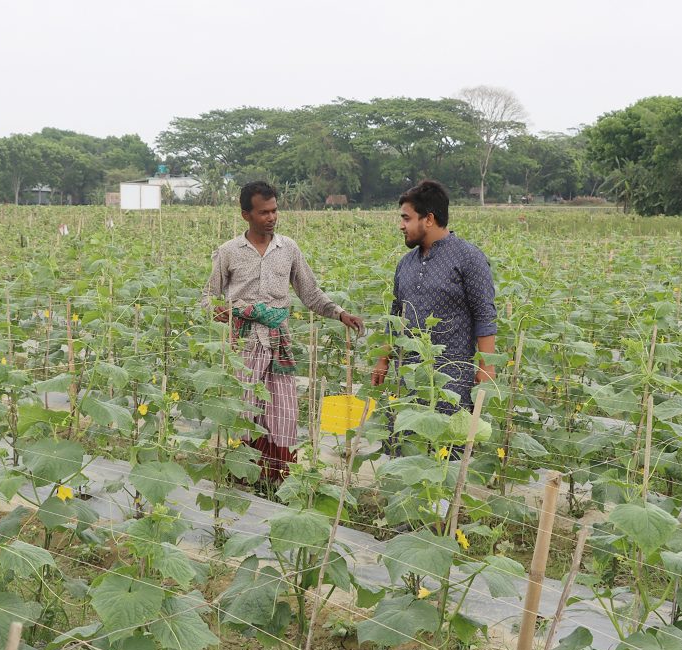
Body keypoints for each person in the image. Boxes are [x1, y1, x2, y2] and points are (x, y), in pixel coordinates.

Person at [203, 181, 364, 482]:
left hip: (279, 344)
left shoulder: (288, 248)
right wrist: (218, 310)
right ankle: (243, 477)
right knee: (245, 410)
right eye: (263, 212)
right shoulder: (228, 252)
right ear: (246, 215)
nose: (271, 217)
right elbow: (208, 296)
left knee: (283, 412)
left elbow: (310, 292)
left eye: (274, 211)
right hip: (244, 345)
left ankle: (277, 480)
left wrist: (340, 313)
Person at [372, 180, 498, 418]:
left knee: (448, 438)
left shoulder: (468, 258)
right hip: (408, 376)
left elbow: (484, 314)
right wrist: (382, 360)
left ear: (429, 219)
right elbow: (395, 315)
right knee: (405, 435)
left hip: (452, 379)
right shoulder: (405, 263)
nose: (401, 225)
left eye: (407, 218)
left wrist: (486, 367)